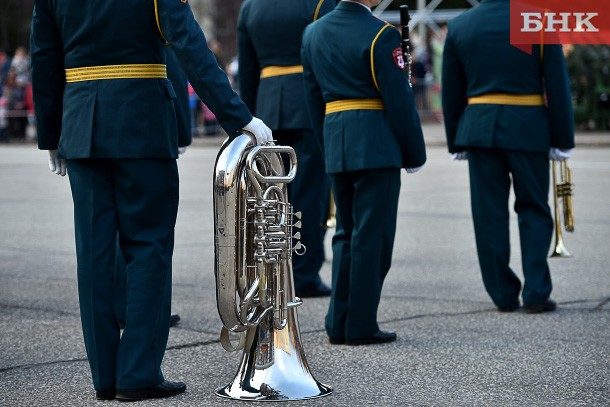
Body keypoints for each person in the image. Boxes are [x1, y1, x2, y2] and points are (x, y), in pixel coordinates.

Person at [30, 0, 272, 402]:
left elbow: (45, 56)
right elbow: (188, 44)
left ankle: (105, 376)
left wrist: (51, 133)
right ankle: (137, 372)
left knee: (93, 254)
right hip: (140, 121)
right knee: (148, 247)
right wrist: (238, 117)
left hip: (81, 125)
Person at [301, 0, 426, 345]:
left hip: (336, 139)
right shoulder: (382, 35)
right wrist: (414, 152)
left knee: (345, 234)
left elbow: (313, 100)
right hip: (376, 144)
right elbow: (399, 100)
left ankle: (337, 320)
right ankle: (360, 324)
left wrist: (328, 148)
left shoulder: (313, 33)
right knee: (373, 237)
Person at [441, 0, 575, 314]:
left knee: (488, 215)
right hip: (527, 127)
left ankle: (502, 293)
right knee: (534, 209)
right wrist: (563, 138)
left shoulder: (461, 25)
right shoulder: (537, 21)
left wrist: (455, 140)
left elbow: (451, 90)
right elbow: (557, 84)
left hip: (479, 128)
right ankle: (537, 292)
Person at [237, 0, 336, 298]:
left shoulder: (250, 7)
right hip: (307, 103)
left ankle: (270, 270)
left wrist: (249, 117)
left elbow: (247, 69)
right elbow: (327, 54)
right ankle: (304, 272)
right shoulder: (320, 2)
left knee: (270, 197)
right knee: (309, 193)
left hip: (267, 107)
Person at [113, 47, 191, 330]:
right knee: (147, 230)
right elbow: (173, 63)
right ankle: (145, 309)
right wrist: (182, 128)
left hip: (90, 120)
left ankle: (116, 303)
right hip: (145, 120)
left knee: (106, 231)